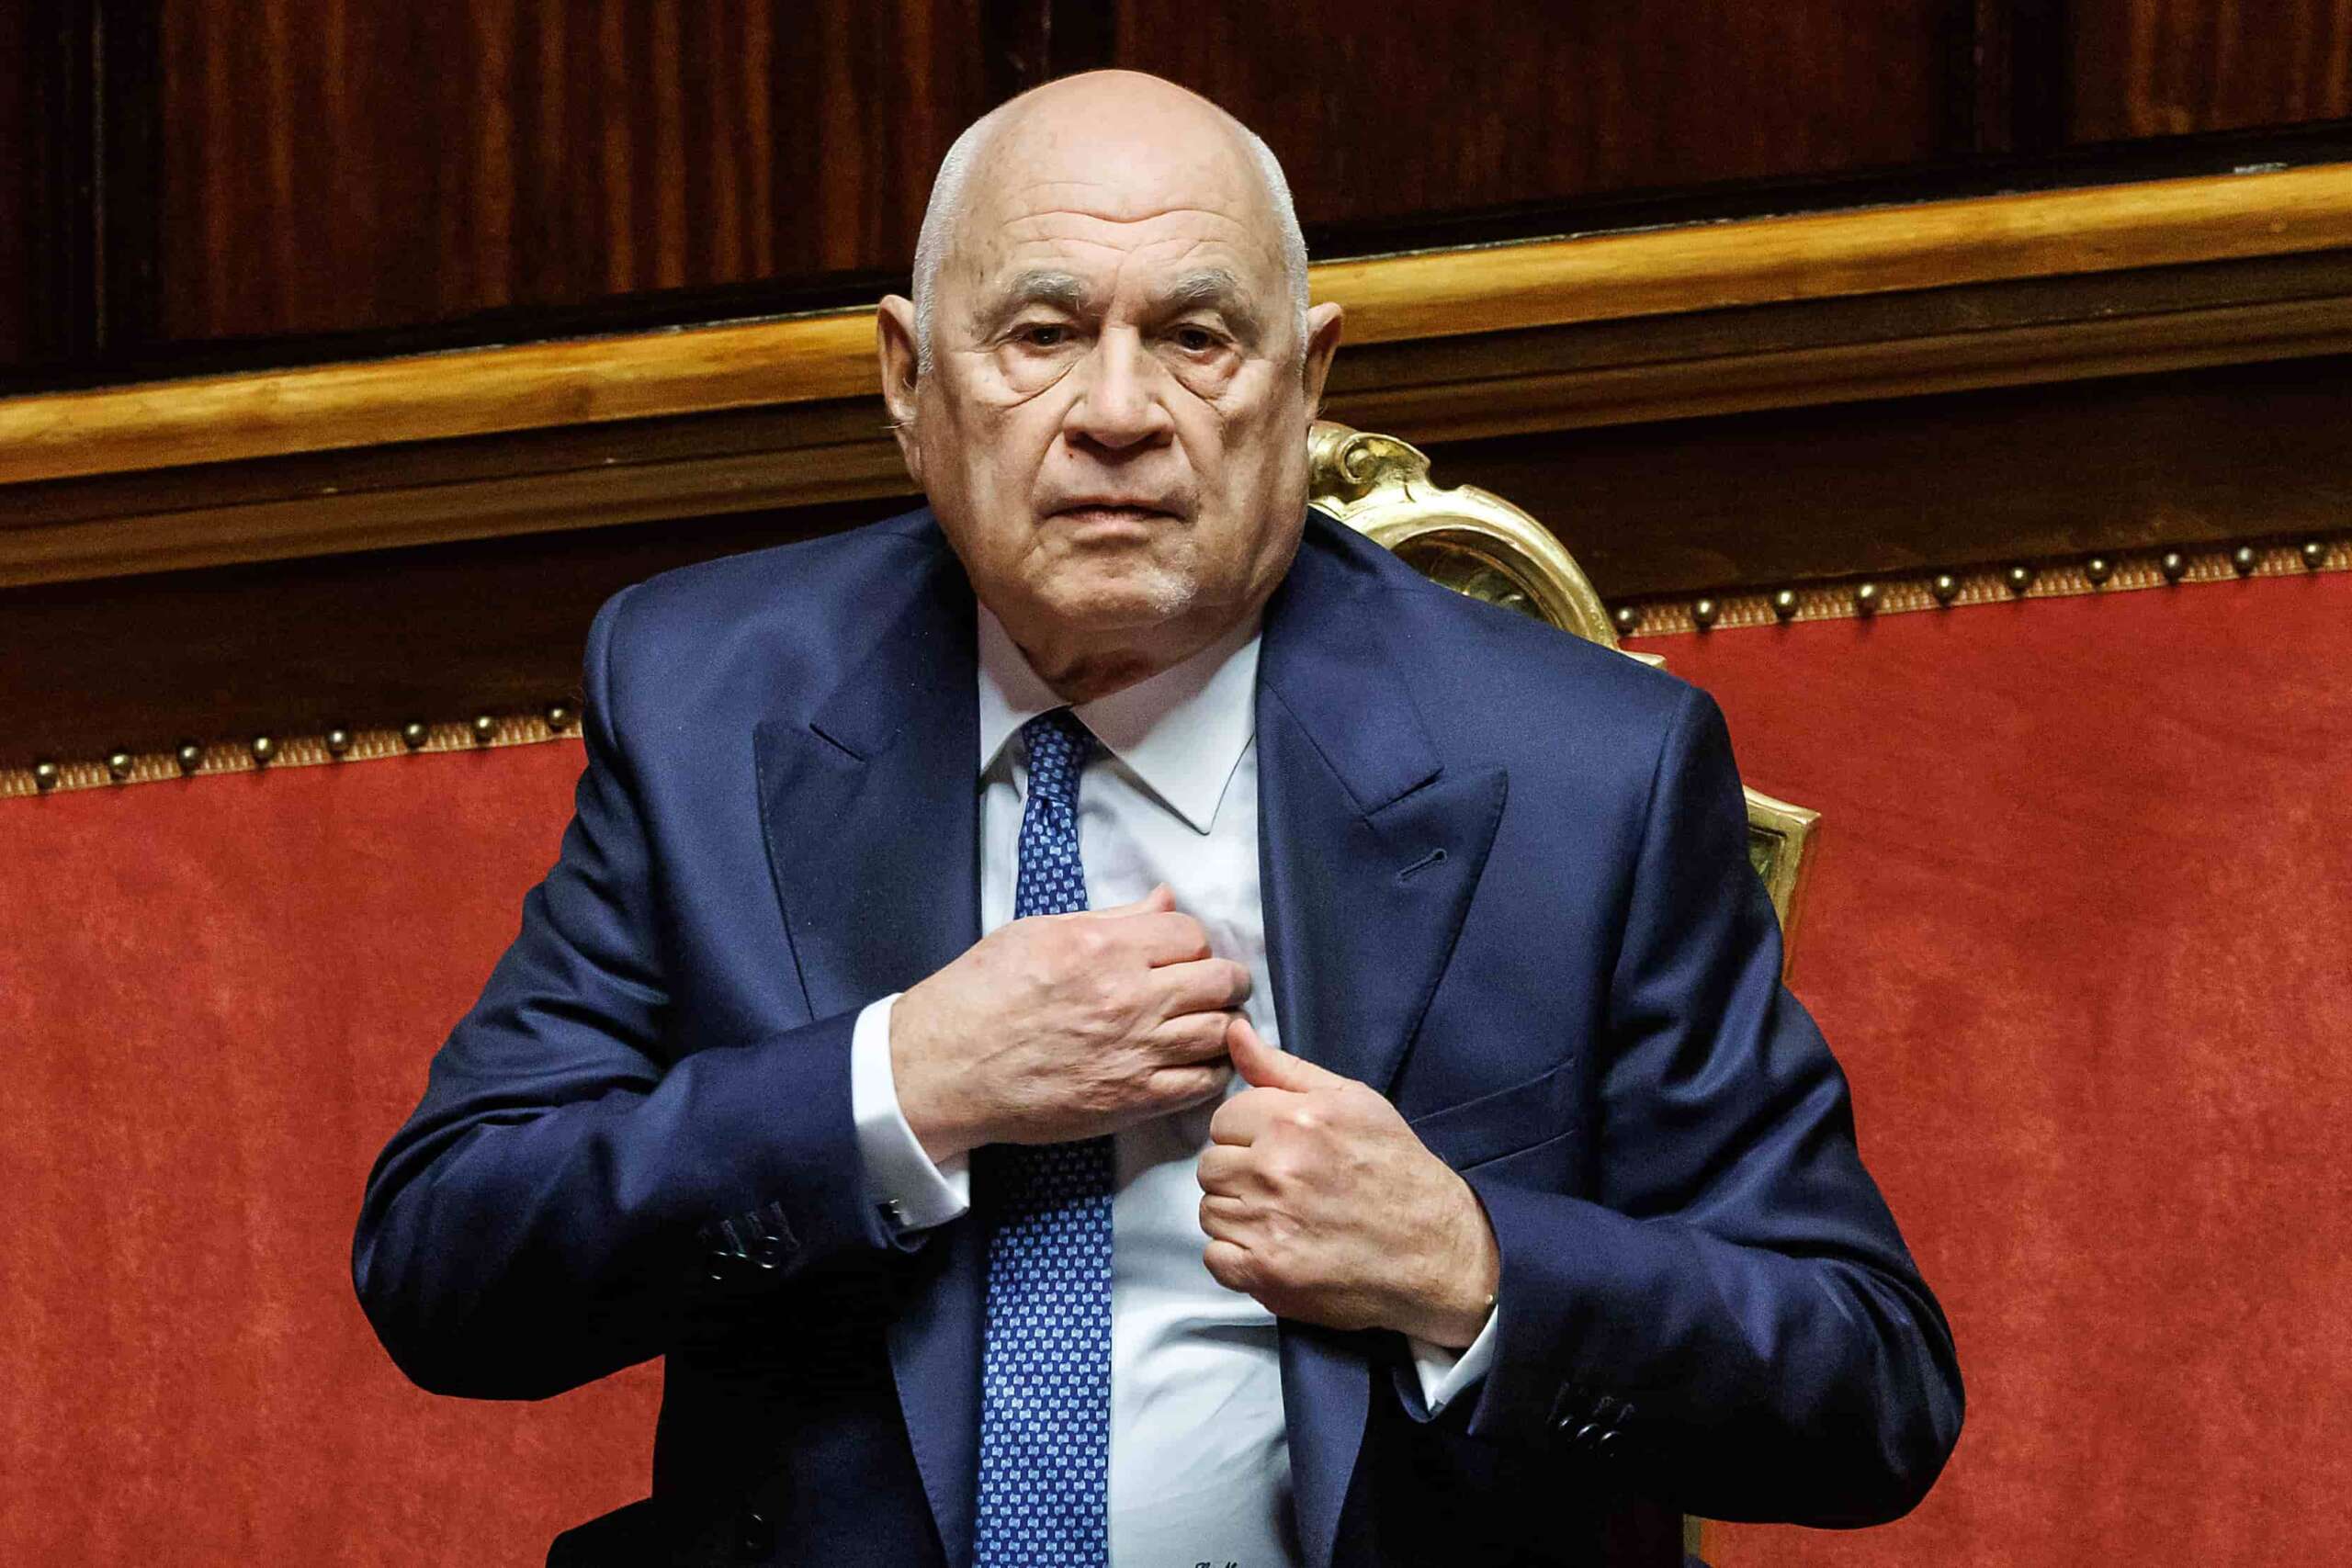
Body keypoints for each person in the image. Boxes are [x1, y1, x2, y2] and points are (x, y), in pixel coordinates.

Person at [354, 70, 1962, 1568]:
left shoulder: (1580, 770)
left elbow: (1867, 1385)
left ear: (1307, 381)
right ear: (910, 381)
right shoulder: (709, 696)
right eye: (1042, 333)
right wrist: (900, 1087)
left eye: (1196, 336)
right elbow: (450, 1263)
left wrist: (1466, 1267)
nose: (1117, 412)